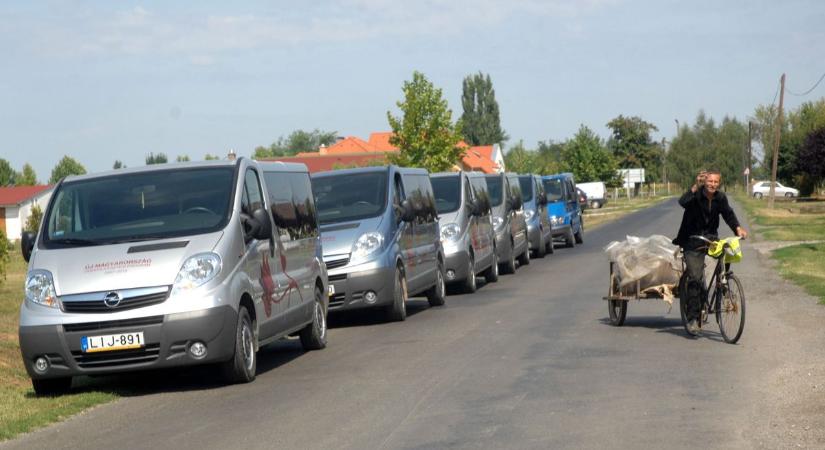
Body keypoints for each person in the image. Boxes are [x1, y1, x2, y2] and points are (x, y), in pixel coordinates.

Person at [673, 169, 748, 336]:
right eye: (710, 181)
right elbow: (682, 202)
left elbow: (728, 214)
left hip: (711, 239)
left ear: (718, 183)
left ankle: (723, 284)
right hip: (692, 240)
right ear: (704, 181)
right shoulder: (695, 196)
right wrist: (694, 187)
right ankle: (693, 318)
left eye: (716, 182)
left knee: (727, 252)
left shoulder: (720, 198)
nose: (713, 184)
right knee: (695, 278)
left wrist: (738, 228)